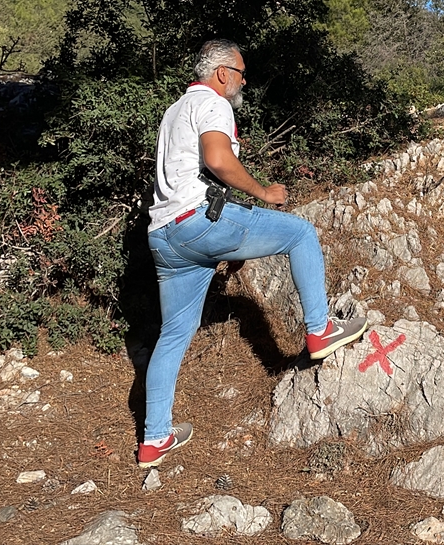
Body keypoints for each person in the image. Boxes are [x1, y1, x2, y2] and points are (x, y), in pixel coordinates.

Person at [138, 39, 367, 468]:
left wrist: (233, 242)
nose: (244, 82)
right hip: (197, 222)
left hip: (164, 236)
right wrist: (263, 192)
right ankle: (320, 329)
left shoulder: (174, 111)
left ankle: (154, 439)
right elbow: (219, 160)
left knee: (172, 336)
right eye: (241, 73)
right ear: (223, 72)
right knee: (300, 232)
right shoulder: (213, 102)